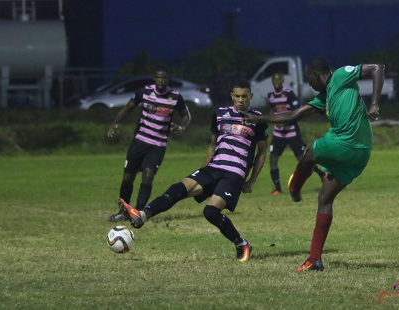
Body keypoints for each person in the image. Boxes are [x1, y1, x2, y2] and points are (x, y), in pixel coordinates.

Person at [244, 57, 384, 271]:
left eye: (310, 79)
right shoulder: (324, 98)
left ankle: (295, 188)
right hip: (362, 154)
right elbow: (293, 115)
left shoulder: (340, 75)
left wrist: (374, 103)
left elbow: (377, 67)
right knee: (325, 198)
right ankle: (315, 259)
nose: (309, 84)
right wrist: (259, 119)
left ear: (318, 75)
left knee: (310, 152)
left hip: (345, 142)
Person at [117, 79, 268, 262]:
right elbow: (212, 144)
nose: (241, 100)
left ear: (250, 97)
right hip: (213, 168)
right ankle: (142, 215)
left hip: (234, 174)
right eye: (237, 96)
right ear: (232, 96)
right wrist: (205, 168)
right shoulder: (220, 114)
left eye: (244, 96)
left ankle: (241, 244)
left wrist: (251, 180)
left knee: (210, 212)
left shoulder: (258, 119)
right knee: (178, 188)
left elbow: (262, 152)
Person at [107, 69, 191, 222]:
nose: (161, 81)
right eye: (158, 78)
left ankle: (138, 213)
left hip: (157, 145)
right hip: (139, 142)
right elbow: (128, 107)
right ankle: (123, 211)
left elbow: (186, 115)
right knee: (127, 178)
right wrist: (115, 122)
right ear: (154, 79)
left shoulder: (175, 96)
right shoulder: (144, 92)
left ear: (168, 79)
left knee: (148, 176)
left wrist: (181, 127)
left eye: (164, 78)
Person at [267, 73, 326, 195]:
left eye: (278, 79)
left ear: (282, 80)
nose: (276, 82)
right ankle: (277, 188)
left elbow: (297, 113)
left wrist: (284, 122)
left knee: (303, 160)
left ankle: (322, 175)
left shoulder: (289, 94)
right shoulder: (271, 96)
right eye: (274, 80)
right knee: (272, 159)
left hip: (292, 132)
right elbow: (273, 111)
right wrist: (271, 118)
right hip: (278, 135)